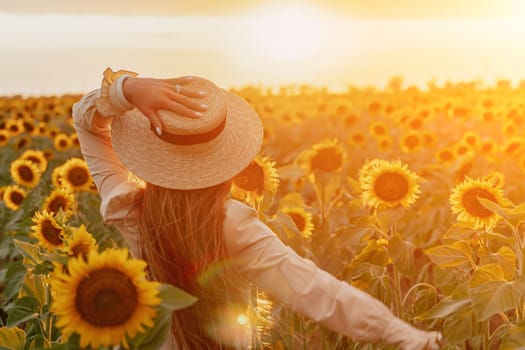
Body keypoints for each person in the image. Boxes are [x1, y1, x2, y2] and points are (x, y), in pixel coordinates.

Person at [72, 67, 444, 350]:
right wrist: (402, 335)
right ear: (226, 159)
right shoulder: (230, 224)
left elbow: (86, 122)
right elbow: (316, 291)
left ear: (153, 153)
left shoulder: (127, 208)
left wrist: (125, 89)